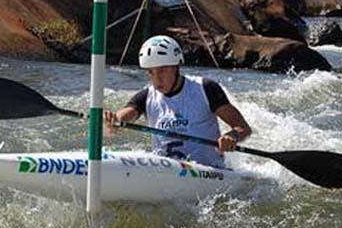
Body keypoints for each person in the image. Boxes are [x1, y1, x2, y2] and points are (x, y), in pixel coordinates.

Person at [104, 35, 252, 167]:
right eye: (151, 72)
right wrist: (113, 121)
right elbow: (123, 116)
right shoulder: (146, 96)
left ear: (176, 67)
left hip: (208, 172)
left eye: (162, 70)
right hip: (166, 172)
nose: (156, 79)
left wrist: (232, 136)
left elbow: (243, 128)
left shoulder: (205, 89)